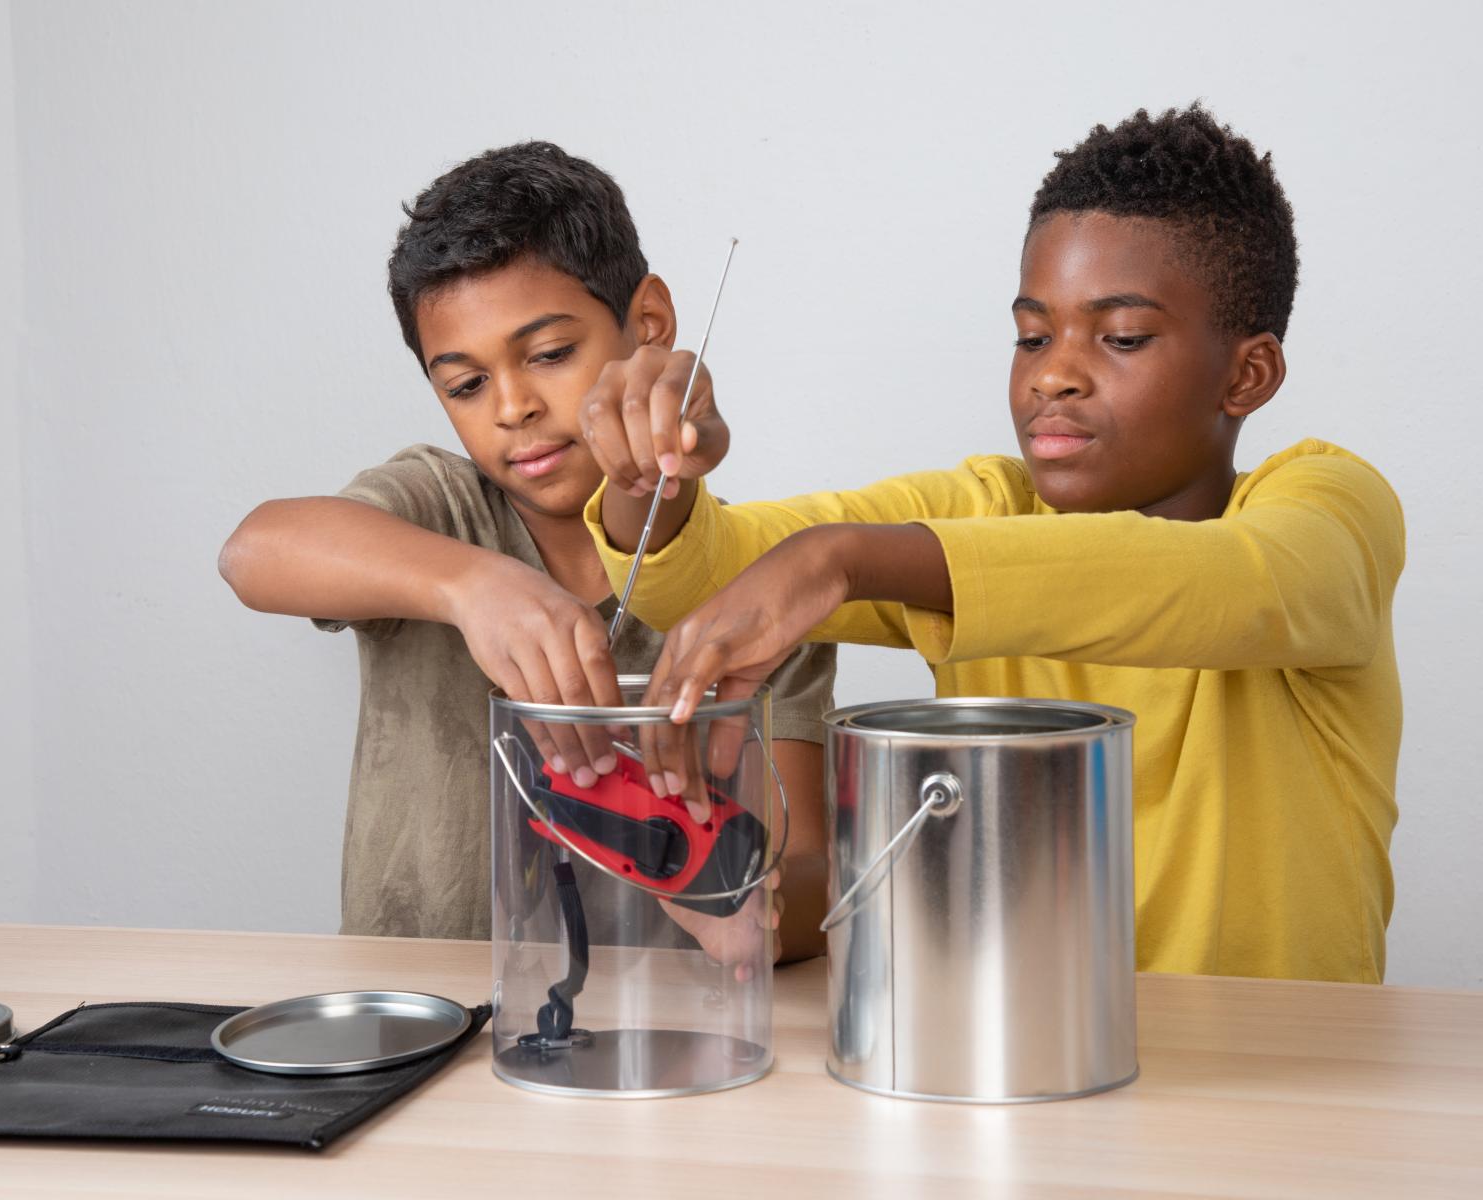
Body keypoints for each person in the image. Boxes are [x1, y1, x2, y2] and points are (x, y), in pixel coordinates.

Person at [578, 106, 1403, 984]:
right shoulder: (983, 511)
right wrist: (648, 480)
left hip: (1283, 1091)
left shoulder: (1330, 507)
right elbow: (704, 572)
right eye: (1032, 336)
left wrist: (843, 559)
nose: (1053, 372)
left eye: (1121, 337)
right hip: (1015, 1074)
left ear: (1248, 375)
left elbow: (1237, 587)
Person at [219, 142, 836, 973]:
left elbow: (809, 873)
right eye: (466, 385)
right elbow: (254, 550)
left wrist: (728, 899)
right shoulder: (437, 511)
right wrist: (472, 586)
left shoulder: (763, 591)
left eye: (548, 354)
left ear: (647, 324)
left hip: (659, 1049)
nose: (512, 406)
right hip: (420, 1029)